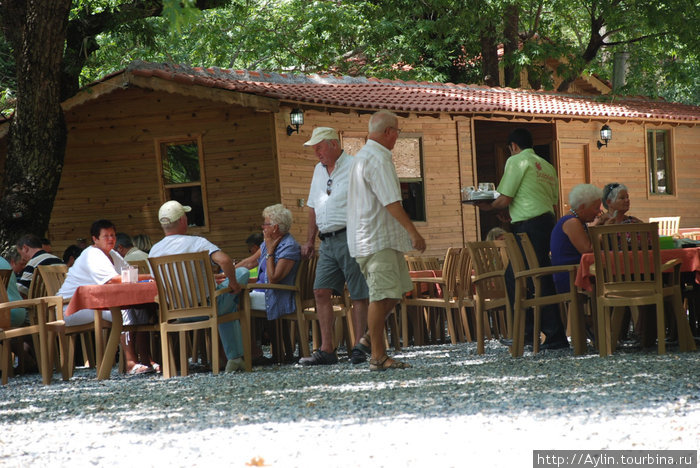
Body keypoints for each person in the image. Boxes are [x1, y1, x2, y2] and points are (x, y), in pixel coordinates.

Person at [347, 110, 426, 371]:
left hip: (379, 239)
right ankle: (378, 357)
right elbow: (391, 202)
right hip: (376, 239)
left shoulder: (362, 157)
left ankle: (371, 337)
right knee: (380, 297)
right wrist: (413, 232)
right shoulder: (377, 159)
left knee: (396, 291)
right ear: (389, 132)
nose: (397, 137)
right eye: (398, 132)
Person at [476, 127, 568, 349]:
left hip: (529, 227)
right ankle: (553, 336)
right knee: (541, 277)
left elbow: (504, 197)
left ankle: (527, 334)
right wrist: (510, 212)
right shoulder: (546, 165)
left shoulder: (516, 161)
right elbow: (545, 198)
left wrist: (487, 206)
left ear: (513, 147)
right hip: (547, 222)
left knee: (515, 277)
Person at [297, 127, 371, 366]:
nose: (316, 152)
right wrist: (309, 240)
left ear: (333, 144)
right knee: (320, 291)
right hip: (326, 241)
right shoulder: (318, 171)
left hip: (351, 235)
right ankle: (327, 350)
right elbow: (312, 207)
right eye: (314, 148)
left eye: (319, 147)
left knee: (358, 293)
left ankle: (361, 346)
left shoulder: (354, 166)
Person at [149, 200, 248, 373]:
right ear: (182, 220)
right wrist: (232, 283)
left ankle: (235, 358)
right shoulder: (197, 243)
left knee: (229, 301)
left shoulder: (154, 251)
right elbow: (224, 260)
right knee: (242, 275)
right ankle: (235, 358)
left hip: (175, 313)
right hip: (207, 308)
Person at [56, 219, 157, 374]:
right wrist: (149, 276)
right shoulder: (92, 254)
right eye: (106, 236)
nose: (111, 239)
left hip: (92, 305)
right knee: (124, 311)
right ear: (95, 239)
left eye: (113, 235)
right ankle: (130, 363)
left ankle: (146, 359)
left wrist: (145, 277)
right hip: (70, 308)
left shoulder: (113, 254)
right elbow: (113, 280)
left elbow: (129, 274)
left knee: (141, 310)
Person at [237, 204, 301, 363]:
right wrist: (227, 273)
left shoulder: (289, 246)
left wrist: (271, 252)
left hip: (280, 294)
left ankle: (251, 352)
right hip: (265, 290)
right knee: (235, 295)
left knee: (235, 301)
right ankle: (251, 351)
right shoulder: (267, 243)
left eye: (265, 224)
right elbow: (250, 262)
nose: (262, 227)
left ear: (275, 227)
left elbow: (273, 278)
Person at [550, 184, 604, 294]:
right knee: (614, 278)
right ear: (582, 206)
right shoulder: (572, 222)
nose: (599, 212)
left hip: (576, 272)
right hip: (570, 277)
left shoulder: (576, 221)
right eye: (596, 208)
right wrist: (604, 232)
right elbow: (588, 249)